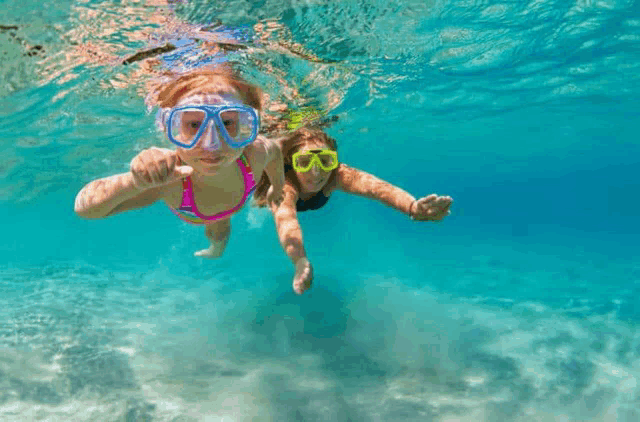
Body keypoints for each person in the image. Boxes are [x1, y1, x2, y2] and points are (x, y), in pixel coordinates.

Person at [74, 65, 285, 258]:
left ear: (245, 123)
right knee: (216, 223)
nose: (212, 145)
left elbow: (275, 153)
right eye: (194, 125)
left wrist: (277, 186)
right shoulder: (170, 179)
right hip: (194, 211)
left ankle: (216, 250)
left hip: (229, 210)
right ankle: (216, 249)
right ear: (170, 128)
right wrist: (136, 181)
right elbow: (86, 208)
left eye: (227, 122)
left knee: (221, 224)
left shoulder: (255, 153)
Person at [252, 127, 453, 295]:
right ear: (292, 164)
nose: (317, 171)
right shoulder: (284, 186)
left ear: (334, 161)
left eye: (325, 161)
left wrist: (412, 207)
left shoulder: (337, 175)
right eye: (304, 162)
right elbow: (286, 221)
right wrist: (299, 260)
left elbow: (378, 189)